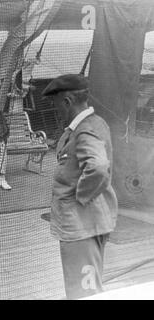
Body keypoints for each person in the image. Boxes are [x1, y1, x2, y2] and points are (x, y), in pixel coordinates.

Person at [42, 74, 118, 299]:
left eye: (57, 106)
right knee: (88, 289)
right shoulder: (95, 123)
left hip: (82, 225)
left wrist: (80, 197)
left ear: (67, 102)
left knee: (84, 293)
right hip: (88, 223)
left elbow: (98, 167)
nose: (57, 112)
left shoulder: (85, 129)